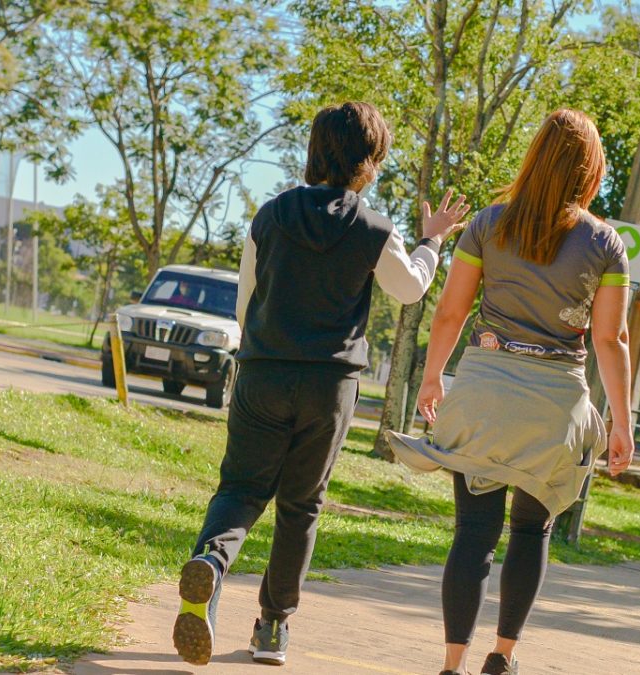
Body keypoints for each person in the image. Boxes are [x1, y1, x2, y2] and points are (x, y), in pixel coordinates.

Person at [171, 101, 470, 667]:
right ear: (370, 163)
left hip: (263, 372)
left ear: (314, 153)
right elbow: (409, 290)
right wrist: (432, 241)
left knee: (239, 489)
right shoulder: (375, 229)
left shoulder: (270, 215)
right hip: (329, 388)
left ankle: (210, 564)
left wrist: (265, 349)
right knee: (301, 506)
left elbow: (245, 302)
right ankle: (272, 627)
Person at [386, 109, 635, 675]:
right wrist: (621, 422)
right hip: (554, 408)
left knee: (473, 533)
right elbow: (609, 338)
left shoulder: (487, 225)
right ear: (591, 171)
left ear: (534, 157)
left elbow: (451, 312)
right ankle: (502, 658)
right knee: (531, 529)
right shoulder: (605, 244)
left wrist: (432, 377)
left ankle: (451, 665)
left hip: (484, 392)